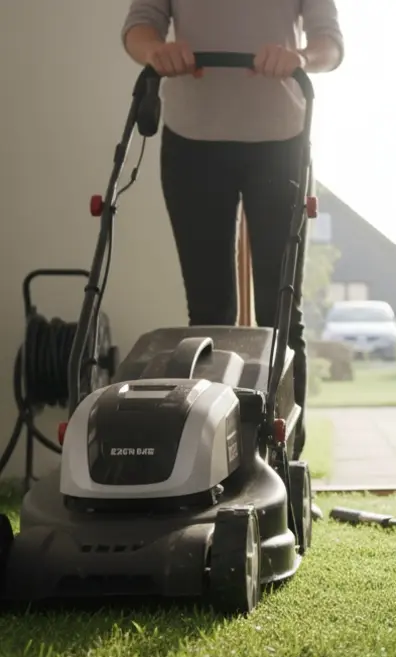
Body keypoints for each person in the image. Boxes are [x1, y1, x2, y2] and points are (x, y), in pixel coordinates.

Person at [121, 0, 344, 458]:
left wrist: (299, 57)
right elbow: (138, 28)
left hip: (280, 141)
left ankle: (286, 461)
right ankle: (212, 458)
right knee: (208, 313)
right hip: (192, 142)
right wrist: (157, 52)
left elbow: (331, 45)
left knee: (281, 312)